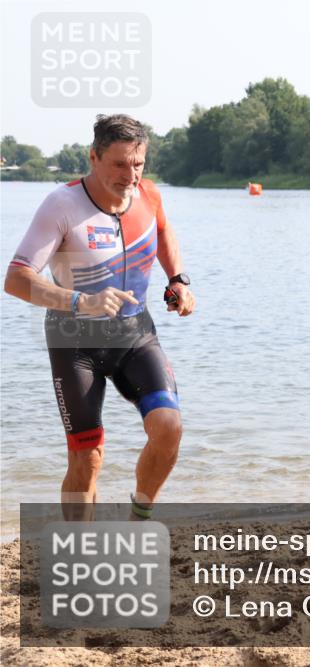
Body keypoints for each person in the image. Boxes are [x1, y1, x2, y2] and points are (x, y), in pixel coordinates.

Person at [4, 114, 196, 519]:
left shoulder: (149, 195)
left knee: (169, 429)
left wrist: (177, 279)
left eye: (138, 164)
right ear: (94, 156)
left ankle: (139, 515)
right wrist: (81, 302)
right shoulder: (62, 205)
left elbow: (162, 231)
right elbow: (17, 279)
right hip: (75, 341)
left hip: (135, 335)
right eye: (120, 164)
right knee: (88, 456)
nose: (131, 176)